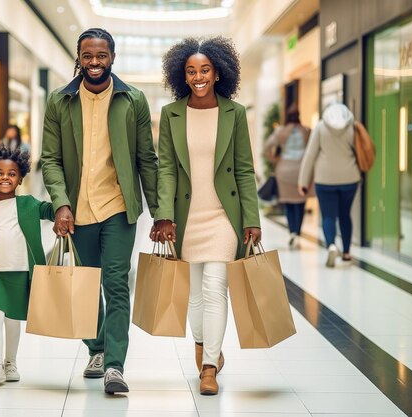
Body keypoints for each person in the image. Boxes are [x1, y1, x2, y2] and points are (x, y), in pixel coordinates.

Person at [41, 27, 158, 394]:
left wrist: (161, 212)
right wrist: (61, 202)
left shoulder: (133, 99)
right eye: (88, 56)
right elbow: (50, 159)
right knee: (88, 286)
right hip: (77, 210)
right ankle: (96, 347)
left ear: (112, 57)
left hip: (119, 209)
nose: (94, 62)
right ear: (79, 57)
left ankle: (114, 366)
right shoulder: (60, 101)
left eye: (101, 55)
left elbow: (147, 159)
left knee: (116, 283)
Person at [151, 36, 261, 396]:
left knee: (215, 288)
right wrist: (163, 214)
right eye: (191, 71)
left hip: (223, 217)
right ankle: (202, 344)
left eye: (205, 70)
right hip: (185, 217)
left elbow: (244, 169)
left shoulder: (235, 113)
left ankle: (209, 367)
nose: (198, 77)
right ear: (181, 75)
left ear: (218, 73)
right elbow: (166, 167)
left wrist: (251, 219)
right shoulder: (171, 114)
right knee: (194, 295)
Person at [0, 145, 54, 384]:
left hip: (19, 271)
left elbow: (50, 211)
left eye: (11, 174)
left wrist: (64, 205)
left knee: (13, 320)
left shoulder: (29, 204)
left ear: (21, 178)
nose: (5, 177)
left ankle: (10, 362)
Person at [298, 102, 360, 267]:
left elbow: (310, 155)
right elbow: (361, 151)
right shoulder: (352, 127)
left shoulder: (320, 127)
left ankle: (331, 245)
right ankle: (346, 253)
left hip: (325, 180)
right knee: (345, 215)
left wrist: (303, 181)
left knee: (328, 216)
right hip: (350, 179)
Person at [263, 104, 311, 249]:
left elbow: (267, 146)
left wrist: (273, 158)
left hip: (284, 170)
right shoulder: (307, 131)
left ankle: (291, 232)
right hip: (301, 171)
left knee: (289, 203)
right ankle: (297, 232)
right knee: (300, 202)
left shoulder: (281, 132)